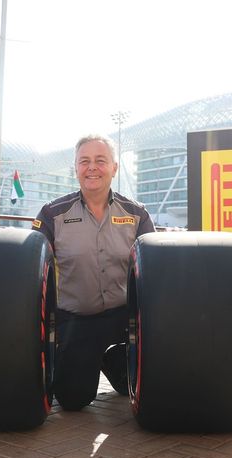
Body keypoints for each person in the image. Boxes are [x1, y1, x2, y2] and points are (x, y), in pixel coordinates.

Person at [32, 134, 155, 411]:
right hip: (76, 321)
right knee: (72, 400)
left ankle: (111, 359)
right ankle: (87, 357)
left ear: (114, 167)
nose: (92, 168)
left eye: (100, 160)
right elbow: (31, 269)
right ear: (75, 168)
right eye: (84, 161)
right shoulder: (52, 214)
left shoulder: (137, 214)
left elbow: (155, 271)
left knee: (129, 387)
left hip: (124, 320)